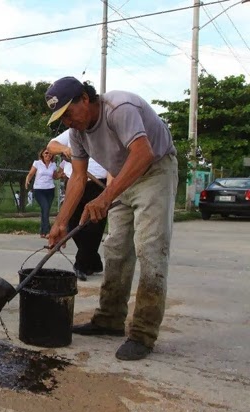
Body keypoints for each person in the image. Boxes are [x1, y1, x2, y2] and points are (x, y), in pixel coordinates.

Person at [44, 76, 178, 361]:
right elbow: (78, 178)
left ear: (85, 98)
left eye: (69, 112)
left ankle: (143, 333)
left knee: (150, 248)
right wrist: (60, 222)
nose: (67, 121)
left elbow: (143, 153)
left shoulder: (119, 107)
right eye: (61, 117)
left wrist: (105, 197)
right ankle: (109, 319)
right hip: (122, 178)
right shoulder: (78, 134)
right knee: (116, 248)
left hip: (154, 171)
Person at [48, 129, 109, 281]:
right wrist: (65, 149)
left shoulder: (107, 131)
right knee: (73, 223)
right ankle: (93, 260)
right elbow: (51, 146)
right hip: (74, 181)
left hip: (98, 183)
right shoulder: (73, 131)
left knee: (93, 225)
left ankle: (81, 264)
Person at [25, 148, 57, 238]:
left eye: (50, 153)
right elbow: (31, 174)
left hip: (50, 190)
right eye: (46, 153)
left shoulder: (53, 165)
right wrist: (27, 181)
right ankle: (48, 231)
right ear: (42, 154)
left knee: (45, 210)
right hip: (39, 190)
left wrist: (63, 174)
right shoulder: (37, 163)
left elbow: (55, 176)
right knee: (45, 207)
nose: (48, 155)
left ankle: (42, 232)